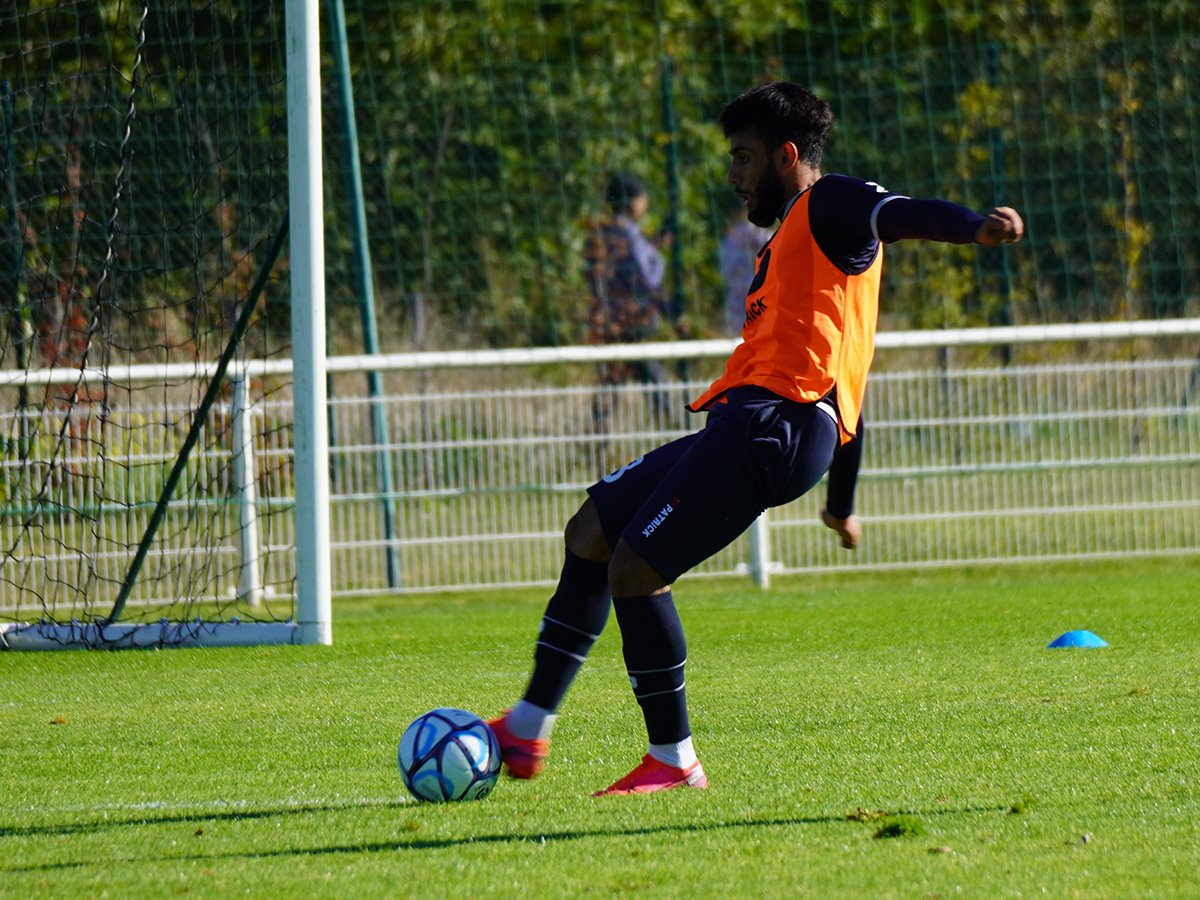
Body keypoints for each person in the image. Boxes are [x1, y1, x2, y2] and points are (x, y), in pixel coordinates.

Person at [489, 82, 1024, 796]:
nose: (733, 175)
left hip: (773, 431)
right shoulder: (799, 246)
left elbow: (897, 213)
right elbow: (846, 378)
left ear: (787, 156)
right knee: (591, 531)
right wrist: (840, 502)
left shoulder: (828, 202)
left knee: (636, 572)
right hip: (757, 425)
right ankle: (526, 730)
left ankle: (674, 763)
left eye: (743, 159)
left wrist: (972, 228)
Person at [584, 173, 674, 425]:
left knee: (611, 380)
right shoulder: (629, 234)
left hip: (605, 318)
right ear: (634, 202)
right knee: (652, 377)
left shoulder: (601, 234)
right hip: (631, 320)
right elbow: (646, 276)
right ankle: (669, 430)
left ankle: (597, 439)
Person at [718, 197, 774, 335]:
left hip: (736, 299)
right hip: (760, 297)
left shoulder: (728, 239)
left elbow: (725, 272)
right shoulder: (755, 233)